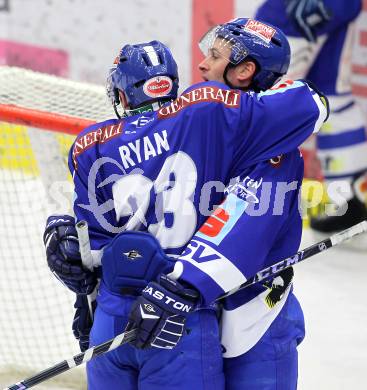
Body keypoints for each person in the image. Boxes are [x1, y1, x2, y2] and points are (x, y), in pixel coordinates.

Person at [44, 20, 328, 390]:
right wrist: (87, 283)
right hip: (179, 314)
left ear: (244, 71)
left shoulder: (251, 138)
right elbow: (312, 102)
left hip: (251, 313)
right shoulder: (197, 114)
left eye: (214, 55)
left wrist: (184, 285)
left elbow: (248, 220)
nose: (201, 65)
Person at [255, 0, 367, 234]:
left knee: (266, 88)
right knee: (331, 91)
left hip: (292, 11)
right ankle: (351, 198)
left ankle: (250, 196)